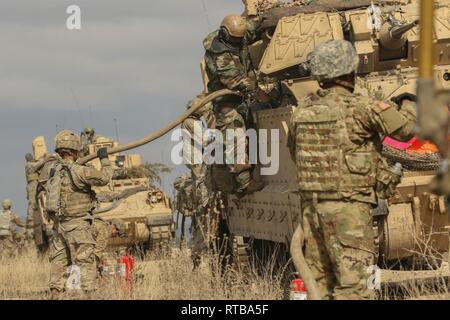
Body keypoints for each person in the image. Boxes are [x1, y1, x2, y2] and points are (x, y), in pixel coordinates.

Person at [287, 40, 417, 299]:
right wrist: (409, 105)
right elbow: (406, 131)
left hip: (312, 211)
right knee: (357, 287)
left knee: (319, 286)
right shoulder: (363, 107)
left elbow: (295, 152)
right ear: (350, 72)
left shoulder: (301, 112)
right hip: (350, 213)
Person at [46, 130, 113, 298]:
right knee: (86, 262)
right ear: (75, 150)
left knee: (58, 264)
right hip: (78, 226)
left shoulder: (53, 172)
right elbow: (105, 178)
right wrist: (104, 158)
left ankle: (55, 295)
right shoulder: (80, 171)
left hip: (58, 227)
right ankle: (90, 295)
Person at [204, 14, 264, 197]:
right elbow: (234, 80)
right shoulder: (218, 52)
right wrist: (257, 92)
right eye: (234, 39)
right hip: (227, 102)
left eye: (240, 39)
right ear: (224, 33)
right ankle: (243, 185)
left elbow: (255, 27)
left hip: (243, 98)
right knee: (234, 134)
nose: (238, 42)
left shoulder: (238, 36)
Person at [25, 153, 47, 240]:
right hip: (32, 185)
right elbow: (38, 165)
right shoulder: (29, 165)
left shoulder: (30, 164)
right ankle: (30, 219)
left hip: (33, 184)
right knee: (32, 203)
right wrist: (44, 158)